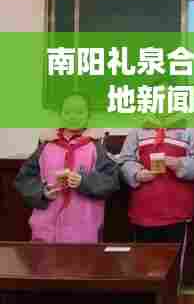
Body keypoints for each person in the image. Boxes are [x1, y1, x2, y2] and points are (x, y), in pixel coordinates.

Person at [14, 93, 119, 243]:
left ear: (88, 115)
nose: (73, 116)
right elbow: (24, 179)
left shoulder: (96, 146)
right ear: (60, 115)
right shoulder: (46, 145)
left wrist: (83, 181)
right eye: (68, 112)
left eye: (79, 112)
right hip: (46, 230)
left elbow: (111, 180)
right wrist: (43, 192)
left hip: (83, 231)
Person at [117, 119, 194, 288]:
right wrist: (136, 174)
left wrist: (179, 164)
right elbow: (124, 161)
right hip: (143, 210)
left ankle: (172, 300)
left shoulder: (191, 131)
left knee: (174, 271)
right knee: (143, 268)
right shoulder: (137, 130)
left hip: (178, 213)